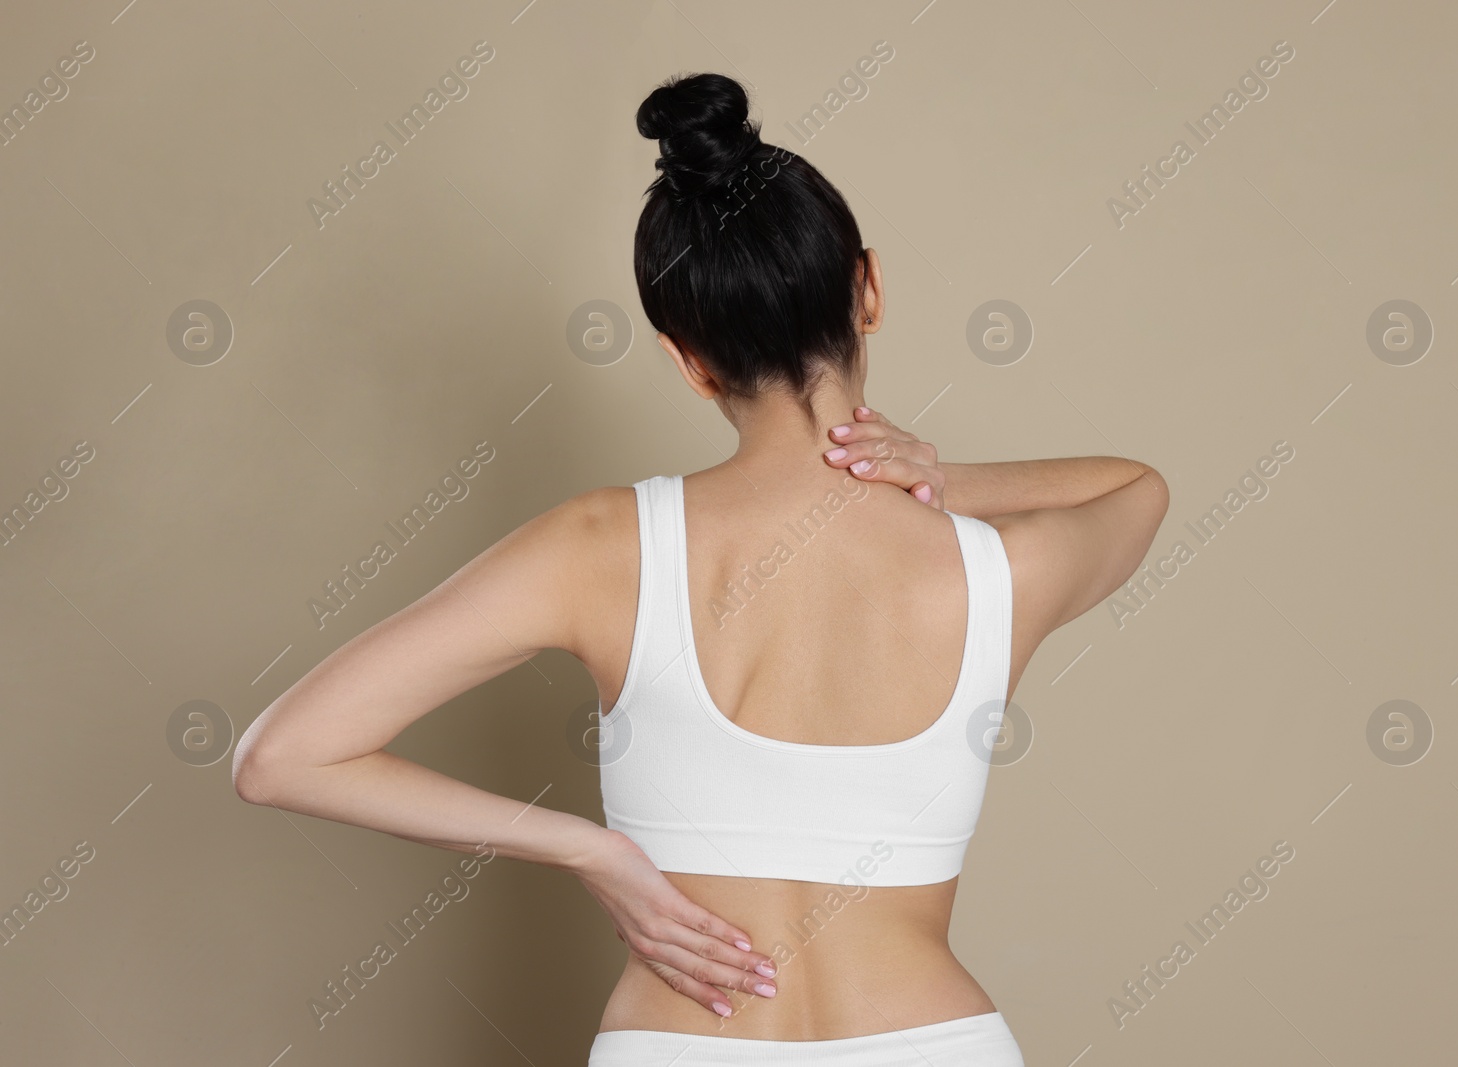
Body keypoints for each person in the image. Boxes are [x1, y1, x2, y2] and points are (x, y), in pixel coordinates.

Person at [232, 71, 1168, 1066]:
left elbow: (279, 756)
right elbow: (1136, 490)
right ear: (871, 288)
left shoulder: (597, 547)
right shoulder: (999, 571)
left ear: (687, 358)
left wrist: (590, 850)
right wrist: (942, 476)